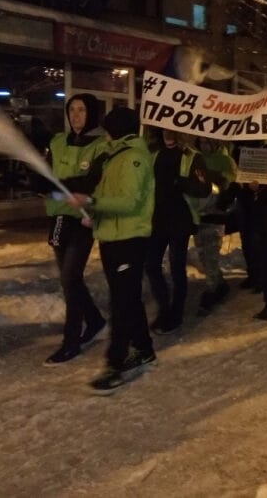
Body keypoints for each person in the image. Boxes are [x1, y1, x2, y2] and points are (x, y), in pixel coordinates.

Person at [68, 107, 155, 394]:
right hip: (112, 237)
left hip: (128, 240)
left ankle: (115, 365)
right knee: (128, 298)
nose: (104, 133)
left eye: (107, 128)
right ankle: (144, 349)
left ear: (115, 130)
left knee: (121, 303)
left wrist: (92, 202)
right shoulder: (115, 155)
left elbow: (128, 202)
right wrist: (93, 210)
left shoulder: (132, 158)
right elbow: (110, 196)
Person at [39, 93, 107, 366]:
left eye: (82, 110)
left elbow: (92, 181)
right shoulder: (57, 141)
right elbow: (46, 174)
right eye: (72, 110)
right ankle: (95, 320)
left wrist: (59, 185)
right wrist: (34, 181)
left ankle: (72, 341)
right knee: (70, 280)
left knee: (70, 277)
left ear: (92, 113)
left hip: (83, 219)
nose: (76, 115)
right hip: (59, 217)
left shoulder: (102, 145)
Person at [145, 129, 210, 333]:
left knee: (176, 267)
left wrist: (182, 182)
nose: (168, 131)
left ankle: (176, 313)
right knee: (151, 265)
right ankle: (164, 308)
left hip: (180, 219)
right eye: (163, 127)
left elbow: (204, 188)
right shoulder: (153, 153)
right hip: (156, 219)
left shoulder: (191, 156)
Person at [194, 137, 238, 316]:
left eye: (207, 142)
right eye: (202, 142)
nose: (204, 146)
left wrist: (218, 182)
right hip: (199, 215)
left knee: (210, 255)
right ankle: (218, 284)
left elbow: (231, 183)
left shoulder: (225, 161)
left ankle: (213, 290)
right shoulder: (196, 158)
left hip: (215, 215)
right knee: (203, 255)